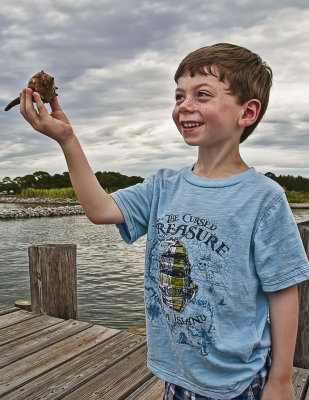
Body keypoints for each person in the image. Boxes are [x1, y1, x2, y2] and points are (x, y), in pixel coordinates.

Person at [20, 43, 309, 400]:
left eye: (202, 94)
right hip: (175, 374)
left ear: (247, 112)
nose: (185, 105)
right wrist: (67, 139)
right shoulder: (162, 186)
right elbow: (100, 209)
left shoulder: (264, 198)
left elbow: (283, 290)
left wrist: (280, 379)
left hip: (238, 381)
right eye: (179, 96)